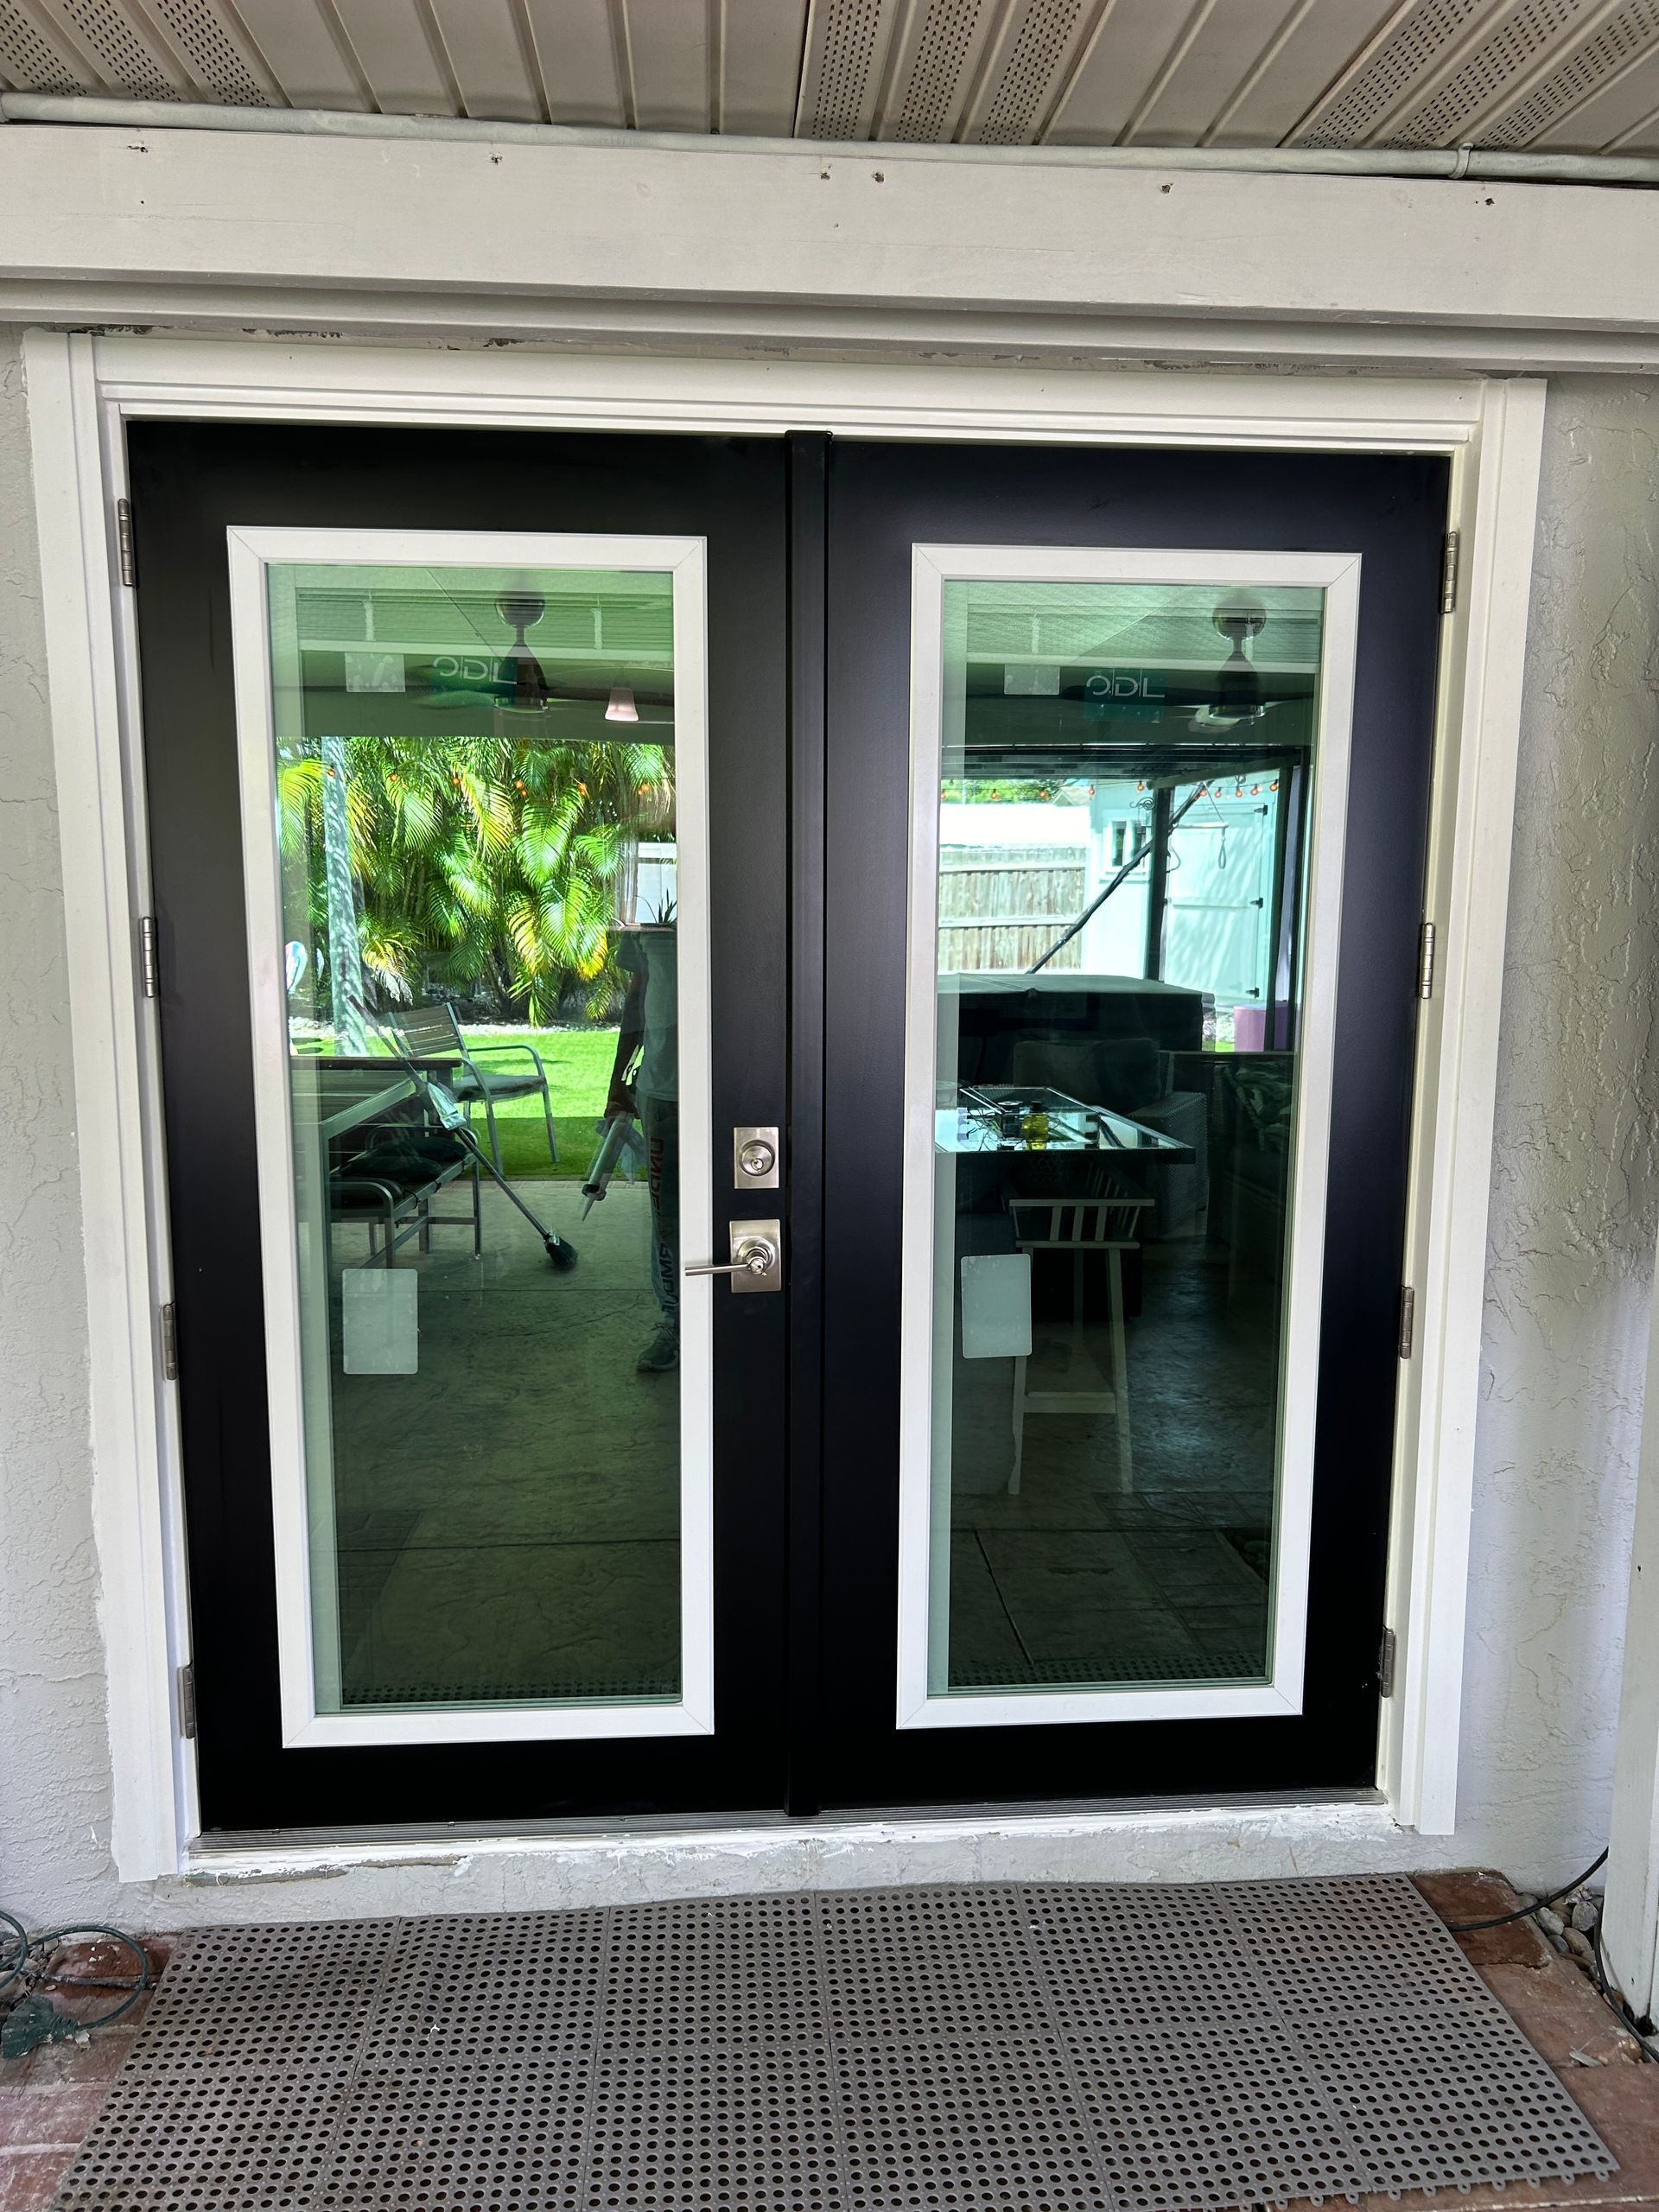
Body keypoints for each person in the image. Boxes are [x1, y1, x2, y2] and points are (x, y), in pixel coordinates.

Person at [606, 918, 679, 1372]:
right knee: (666, 1211)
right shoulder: (648, 916)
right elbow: (637, 998)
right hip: (664, 1089)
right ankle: (675, 1321)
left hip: (737, 1088)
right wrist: (618, 1079)